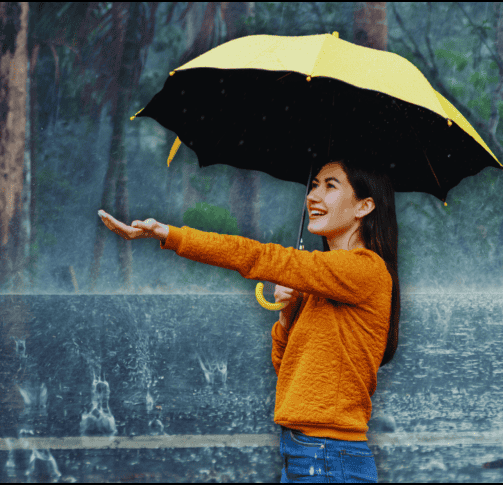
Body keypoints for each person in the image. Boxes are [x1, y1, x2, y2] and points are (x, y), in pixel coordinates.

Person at [98, 159, 401, 483]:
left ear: (364, 206)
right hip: (305, 451)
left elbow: (260, 257)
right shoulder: (323, 281)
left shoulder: (364, 270)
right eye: (314, 185)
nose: (314, 197)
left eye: (331, 186)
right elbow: (287, 371)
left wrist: (171, 235)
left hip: (329, 457)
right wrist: (287, 316)